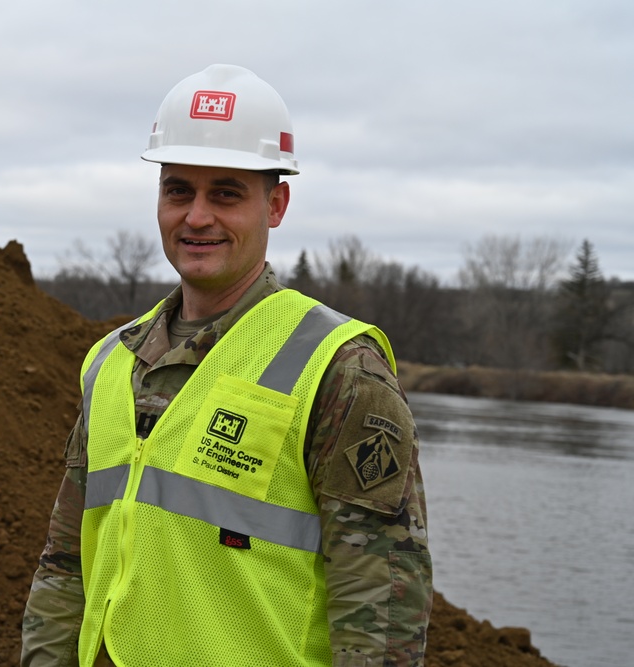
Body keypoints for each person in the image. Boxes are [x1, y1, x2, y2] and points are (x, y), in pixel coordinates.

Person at [21, 64, 432, 667]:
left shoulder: (339, 369)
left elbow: (382, 600)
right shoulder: (112, 361)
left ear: (276, 204)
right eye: (178, 190)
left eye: (227, 192)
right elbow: (64, 563)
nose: (196, 216)